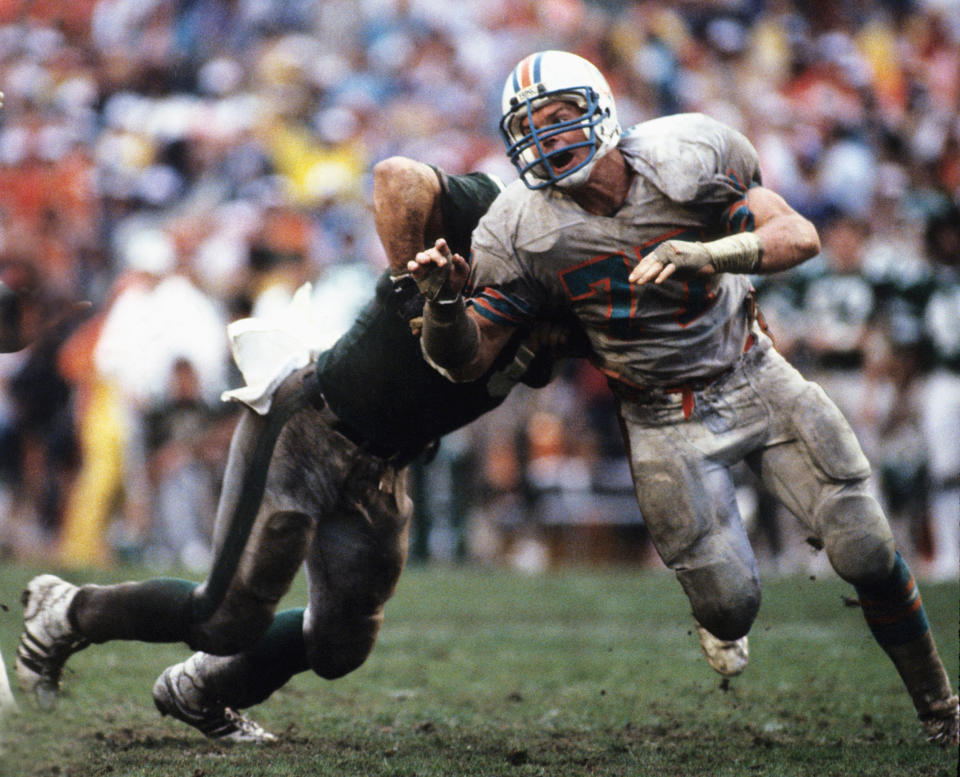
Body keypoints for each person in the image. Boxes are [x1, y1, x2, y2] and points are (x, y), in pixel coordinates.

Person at [408, 50, 959, 746]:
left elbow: (799, 234)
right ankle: (717, 615)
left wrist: (710, 253)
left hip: (753, 371)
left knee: (866, 545)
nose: (546, 138)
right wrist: (446, 307)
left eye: (559, 117)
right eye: (529, 126)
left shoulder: (687, 153)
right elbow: (465, 362)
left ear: (601, 109)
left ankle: (941, 705)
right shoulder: (519, 226)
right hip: (660, 414)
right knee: (731, 604)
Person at [15, 157, 575, 742]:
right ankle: (66, 611)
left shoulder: (567, 300)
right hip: (309, 425)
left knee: (340, 645)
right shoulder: (494, 216)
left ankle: (198, 690)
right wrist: (414, 287)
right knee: (225, 618)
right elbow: (395, 177)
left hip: (383, 470)